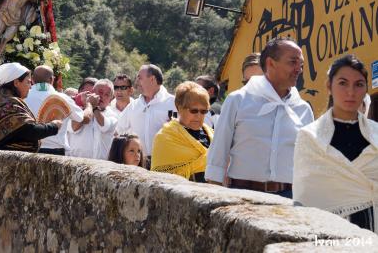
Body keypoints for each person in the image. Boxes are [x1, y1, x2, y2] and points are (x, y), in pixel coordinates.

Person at [205, 37, 314, 198]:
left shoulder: (303, 109)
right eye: (293, 62)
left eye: (301, 64)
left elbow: (308, 162)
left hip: (289, 199)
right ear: (271, 63)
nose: (299, 69)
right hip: (242, 196)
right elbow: (218, 153)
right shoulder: (238, 100)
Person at [293, 55, 378, 232]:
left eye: (359, 84)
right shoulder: (310, 138)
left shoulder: (376, 133)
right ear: (329, 86)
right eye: (343, 83)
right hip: (328, 236)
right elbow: (305, 197)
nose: (351, 92)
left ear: (366, 90)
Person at [0, 62, 61, 152]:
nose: (30, 87)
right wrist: (54, 126)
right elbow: (30, 131)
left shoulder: (1, 100)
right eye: (28, 82)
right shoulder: (9, 104)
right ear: (16, 83)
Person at [151, 82, 213, 182]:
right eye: (194, 110)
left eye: (203, 111)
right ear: (179, 108)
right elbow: (159, 178)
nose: (198, 115)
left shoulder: (212, 134)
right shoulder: (164, 137)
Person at [117, 64, 176, 160]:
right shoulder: (133, 106)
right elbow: (118, 131)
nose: (136, 82)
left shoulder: (174, 103)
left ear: (152, 79)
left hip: (166, 162)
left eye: (140, 78)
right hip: (139, 163)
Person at [25, 65, 83, 155]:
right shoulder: (63, 98)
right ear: (52, 80)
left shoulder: (22, 97)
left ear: (32, 79)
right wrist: (89, 105)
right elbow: (80, 117)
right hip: (55, 152)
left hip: (28, 150)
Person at [68, 79, 117, 159]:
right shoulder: (78, 110)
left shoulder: (113, 116)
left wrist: (93, 107)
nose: (102, 96)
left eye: (107, 95)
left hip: (100, 166)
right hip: (76, 164)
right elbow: (74, 127)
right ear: (92, 92)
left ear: (111, 99)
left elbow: (104, 126)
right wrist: (89, 106)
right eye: (100, 92)